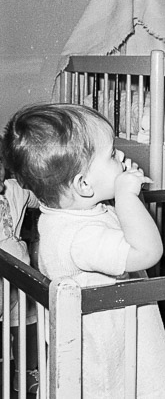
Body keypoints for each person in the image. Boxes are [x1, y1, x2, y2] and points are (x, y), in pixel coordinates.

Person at [2, 103, 165, 398]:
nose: (121, 157)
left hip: (116, 335)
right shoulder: (80, 237)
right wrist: (126, 198)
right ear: (83, 184)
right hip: (109, 353)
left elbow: (128, 232)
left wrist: (124, 200)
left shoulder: (73, 216)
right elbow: (148, 253)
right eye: (110, 155)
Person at [0, 161, 40, 394]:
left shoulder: (15, 189)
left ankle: (24, 373)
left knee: (28, 323)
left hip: (20, 273)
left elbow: (41, 199)